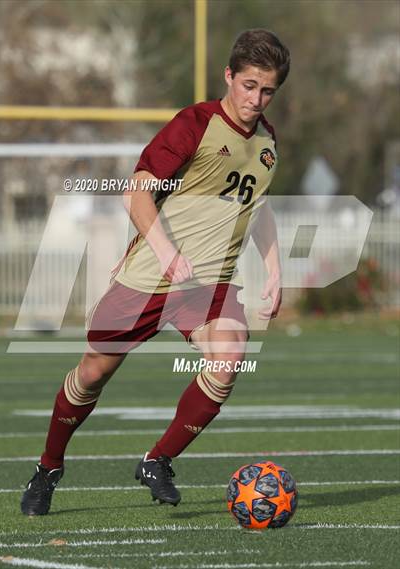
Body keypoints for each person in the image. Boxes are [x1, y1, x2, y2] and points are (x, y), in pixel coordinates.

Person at [21, 28, 290, 515]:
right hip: (150, 276)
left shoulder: (269, 141)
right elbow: (137, 191)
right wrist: (166, 253)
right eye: (249, 85)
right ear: (229, 77)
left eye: (267, 90)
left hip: (209, 284)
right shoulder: (194, 124)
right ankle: (48, 467)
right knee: (91, 374)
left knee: (228, 358)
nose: (256, 99)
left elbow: (259, 207)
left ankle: (158, 460)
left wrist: (274, 269)